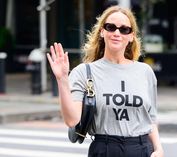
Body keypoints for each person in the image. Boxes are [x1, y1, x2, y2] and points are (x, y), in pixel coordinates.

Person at [47, 5, 164, 157]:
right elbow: (72, 120)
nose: (117, 33)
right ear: (102, 31)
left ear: (131, 36)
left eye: (124, 29)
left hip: (141, 148)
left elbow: (150, 118)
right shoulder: (84, 72)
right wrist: (62, 79)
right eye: (111, 27)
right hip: (105, 149)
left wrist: (158, 148)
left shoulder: (145, 72)